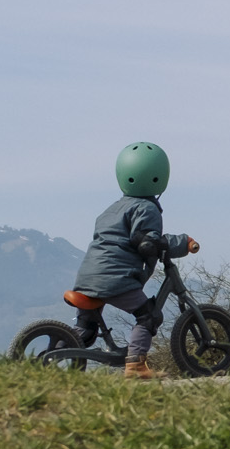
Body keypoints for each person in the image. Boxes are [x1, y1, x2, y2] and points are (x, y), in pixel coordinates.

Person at [64, 142, 198, 382]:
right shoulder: (147, 208)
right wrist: (181, 243)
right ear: (159, 176)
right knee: (149, 316)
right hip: (115, 279)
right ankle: (135, 366)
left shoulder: (111, 209)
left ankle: (56, 351)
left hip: (87, 277)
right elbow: (147, 243)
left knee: (85, 327)